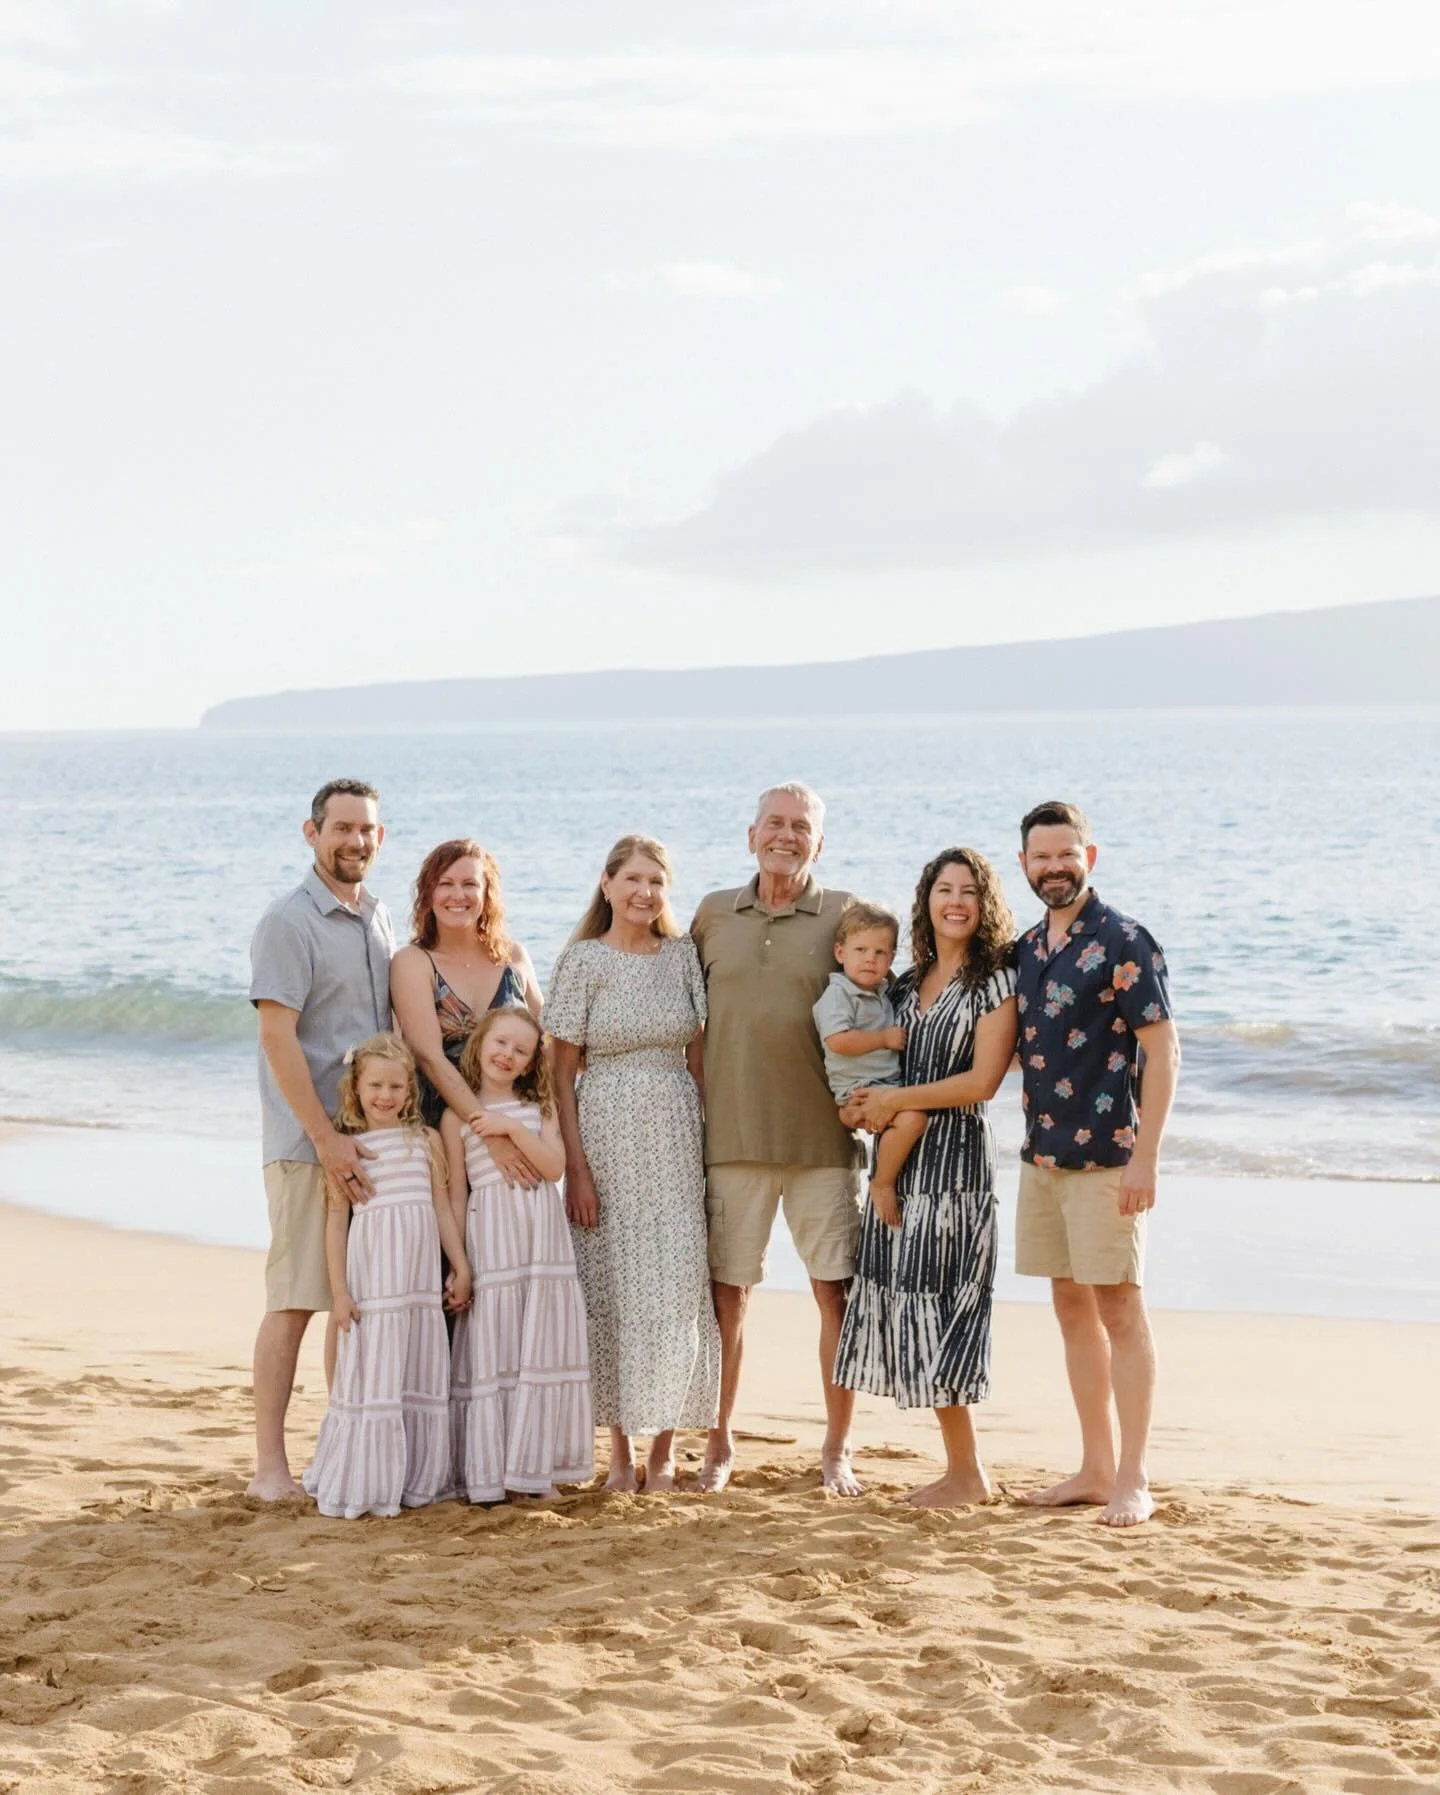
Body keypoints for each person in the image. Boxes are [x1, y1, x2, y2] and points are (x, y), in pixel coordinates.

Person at [689, 783, 866, 1496]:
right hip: (730, 1138)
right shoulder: (710, 914)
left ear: (818, 843)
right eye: (774, 823)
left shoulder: (845, 914)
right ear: (750, 832)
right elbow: (683, 1018)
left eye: (801, 827)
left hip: (822, 1140)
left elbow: (879, 1003)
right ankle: (720, 1440)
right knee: (728, 1299)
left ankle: (837, 1447)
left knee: (837, 1296)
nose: (786, 835)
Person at [1013, 800, 1181, 1529]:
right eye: (1041, 856)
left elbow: (1165, 1051)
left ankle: (1134, 1476)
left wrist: (1147, 1157)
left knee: (1121, 1310)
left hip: (1110, 1159)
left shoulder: (1124, 939)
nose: (1055, 866)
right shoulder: (1024, 947)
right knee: (1070, 1311)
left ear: (1091, 856)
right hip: (1043, 1160)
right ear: (1023, 864)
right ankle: (1093, 1466)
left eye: (1066, 853)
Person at [835, 850, 1019, 1507]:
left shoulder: (994, 980)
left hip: (957, 1163)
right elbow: (881, 1063)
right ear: (927, 899)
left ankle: (967, 1473)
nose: (957, 901)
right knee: (909, 1296)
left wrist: (898, 1102)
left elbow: (984, 1080)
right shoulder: (907, 983)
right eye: (945, 889)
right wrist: (864, 1104)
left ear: (985, 902)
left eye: (970, 890)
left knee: (945, 1305)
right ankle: (960, 1467)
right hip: (902, 1161)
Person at [547, 835, 719, 1494]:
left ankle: (663, 1450)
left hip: (675, 1138)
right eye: (633, 879)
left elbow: (699, 1062)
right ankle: (618, 1450)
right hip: (605, 1134)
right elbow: (561, 1073)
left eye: (657, 881)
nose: (645, 892)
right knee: (613, 1286)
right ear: (608, 883)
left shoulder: (681, 957)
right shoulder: (583, 960)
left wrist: (709, 1151)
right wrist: (576, 1169)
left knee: (675, 1289)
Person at [247, 778, 395, 1501]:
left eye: (366, 829)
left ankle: (339, 1453)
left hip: (373, 1146)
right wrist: (325, 1139)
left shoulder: (377, 918)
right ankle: (269, 1469)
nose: (354, 841)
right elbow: (277, 1038)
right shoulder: (289, 921)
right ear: (311, 834)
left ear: (381, 836)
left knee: (356, 1302)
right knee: (297, 1298)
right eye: (341, 828)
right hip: (310, 1146)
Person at [304, 1033, 470, 1518]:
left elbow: (441, 1208)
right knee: (374, 1367)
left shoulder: (427, 1141)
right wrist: (339, 1294)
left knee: (414, 1368)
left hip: (417, 1284)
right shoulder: (347, 1150)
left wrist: (460, 1264)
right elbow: (337, 1225)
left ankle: (414, 1480)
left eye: (397, 1086)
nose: (386, 1096)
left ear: (410, 1091)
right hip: (373, 1280)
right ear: (356, 1088)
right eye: (375, 1085)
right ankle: (366, 1479)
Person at [446, 1006, 594, 1503]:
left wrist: (510, 1130)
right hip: (492, 1239)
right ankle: (494, 1473)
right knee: (498, 1344)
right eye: (501, 1042)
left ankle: (536, 1470)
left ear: (532, 1064)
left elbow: (553, 1168)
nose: (507, 1054)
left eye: (521, 1051)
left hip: (540, 1241)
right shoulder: (454, 1118)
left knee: (539, 1346)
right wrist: (461, 1265)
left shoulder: (538, 1109)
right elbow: (455, 1196)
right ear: (480, 1043)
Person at [390, 838, 543, 1179]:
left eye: (470, 884)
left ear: (487, 893)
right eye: (445, 884)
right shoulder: (414, 962)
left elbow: (547, 1044)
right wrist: (491, 1136)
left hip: (516, 1122)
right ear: (428, 894)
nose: (458, 895)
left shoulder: (513, 957)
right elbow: (429, 1057)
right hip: (447, 1131)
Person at [812, 901, 928, 1229]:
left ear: (891, 959)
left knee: (913, 1114)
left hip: (883, 1085)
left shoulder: (882, 991)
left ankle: (852, 1115)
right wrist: (883, 1039)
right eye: (860, 949)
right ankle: (882, 1181)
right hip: (860, 1086)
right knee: (914, 1120)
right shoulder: (839, 995)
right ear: (840, 953)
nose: (870, 959)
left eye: (880, 953)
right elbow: (839, 1041)